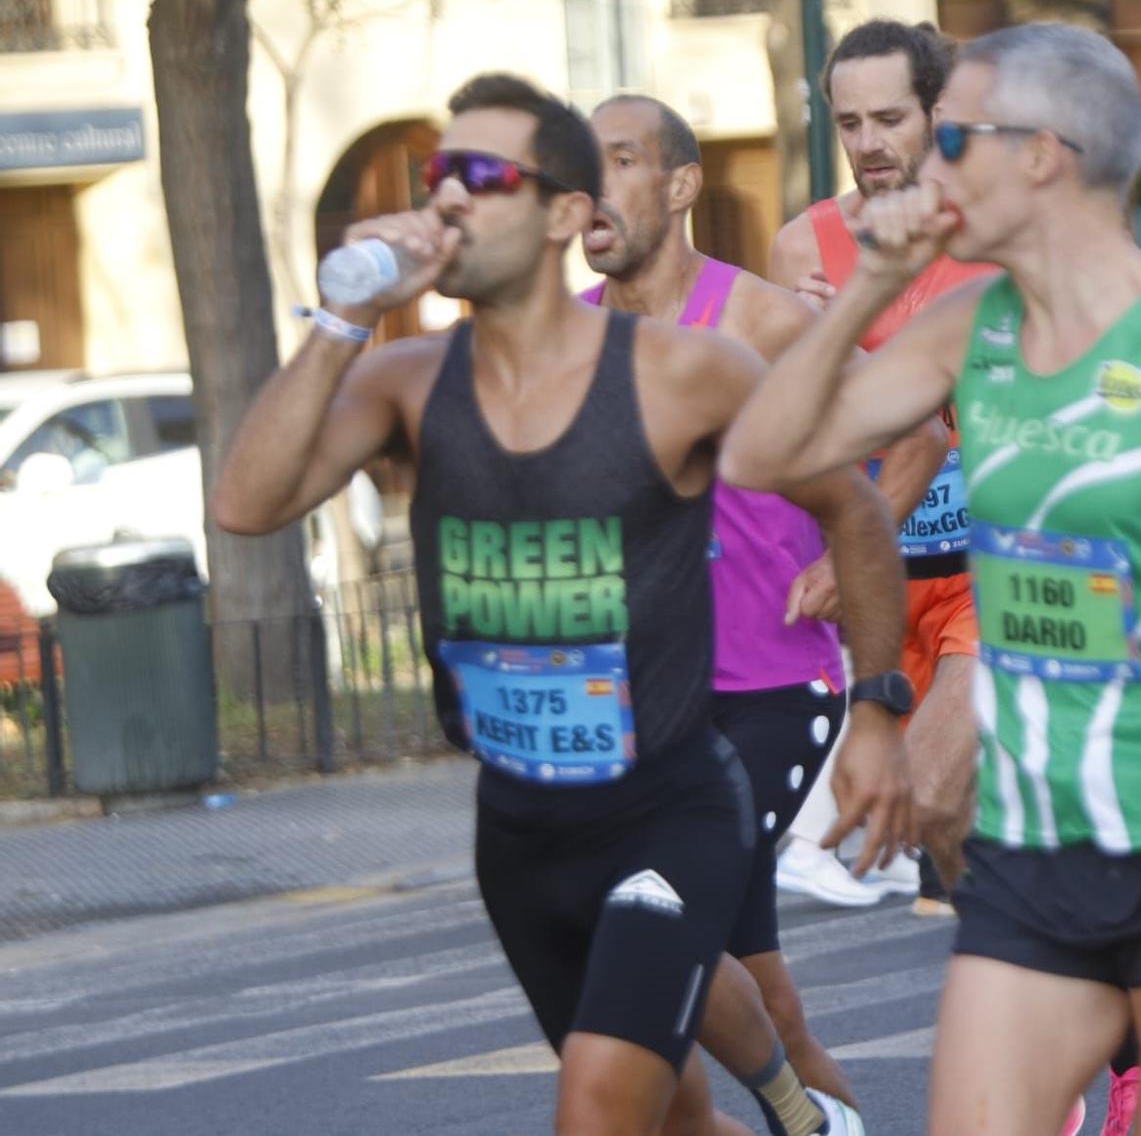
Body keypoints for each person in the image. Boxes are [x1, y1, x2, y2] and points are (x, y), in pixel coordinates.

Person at [212, 73, 911, 1135]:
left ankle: (797, 1095)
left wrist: (874, 709)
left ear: (561, 215)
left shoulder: (686, 372)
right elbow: (245, 502)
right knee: (666, 1120)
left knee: (593, 1109)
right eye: (438, 174)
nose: (449, 198)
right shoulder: (407, 378)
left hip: (669, 806)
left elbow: (855, 514)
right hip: (521, 832)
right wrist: (340, 315)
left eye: (484, 175)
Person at [722, 23, 1141, 1134]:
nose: (926, 164)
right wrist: (873, 280)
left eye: (952, 135)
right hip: (1028, 850)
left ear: (1041, 154)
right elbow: (759, 454)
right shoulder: (975, 328)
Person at [582, 92, 947, 1120]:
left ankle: (799, 1116)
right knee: (763, 999)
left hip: (768, 688)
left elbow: (916, 432)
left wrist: (850, 546)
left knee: (649, 934)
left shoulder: (756, 317)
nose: (589, 192)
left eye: (615, 163)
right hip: (636, 706)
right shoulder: (567, 335)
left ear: (681, 184)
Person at [768, 19, 994, 914]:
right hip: (878, 579)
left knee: (931, 787)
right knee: (943, 833)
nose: (868, 144)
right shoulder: (802, 248)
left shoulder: (991, 233)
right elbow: (783, 429)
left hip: (992, 568)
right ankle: (1060, 974)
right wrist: (802, 343)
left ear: (937, 113)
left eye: (889, 118)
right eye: (849, 122)